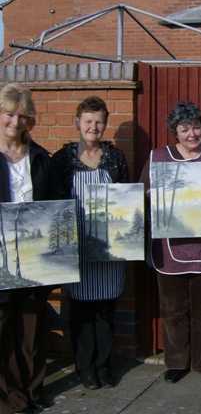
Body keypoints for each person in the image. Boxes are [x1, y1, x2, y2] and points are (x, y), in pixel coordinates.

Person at [142, 101, 201, 384]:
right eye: (185, 129)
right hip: (170, 249)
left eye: (195, 127)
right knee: (173, 310)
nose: (192, 134)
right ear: (175, 132)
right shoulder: (159, 157)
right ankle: (176, 363)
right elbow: (143, 196)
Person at [50, 96, 129, 391]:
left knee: (106, 311)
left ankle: (104, 367)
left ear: (105, 124)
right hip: (77, 247)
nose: (93, 127)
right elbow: (55, 204)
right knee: (82, 312)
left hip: (110, 249)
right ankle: (85, 368)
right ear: (78, 123)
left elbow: (126, 201)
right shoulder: (63, 159)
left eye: (98, 121)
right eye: (88, 121)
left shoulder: (115, 157)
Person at [0, 83, 53, 413]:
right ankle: (7, 398)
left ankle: (32, 391)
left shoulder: (40, 157)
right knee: (3, 326)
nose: (14, 122)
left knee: (32, 329)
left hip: (35, 258)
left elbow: (52, 207)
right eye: (8, 113)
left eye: (22, 116)